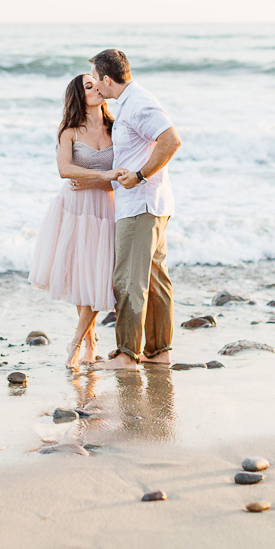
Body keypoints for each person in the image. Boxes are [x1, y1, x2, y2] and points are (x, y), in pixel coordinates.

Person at [88, 49, 182, 369]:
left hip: (141, 205)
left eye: (96, 80)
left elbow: (171, 140)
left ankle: (127, 355)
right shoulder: (130, 103)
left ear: (107, 79)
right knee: (155, 280)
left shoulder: (138, 104)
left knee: (129, 280)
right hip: (151, 203)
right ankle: (159, 351)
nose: (94, 86)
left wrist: (140, 174)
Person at [29, 74, 125, 368]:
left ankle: (75, 344)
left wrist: (98, 182)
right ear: (79, 96)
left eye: (97, 84)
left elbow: (118, 180)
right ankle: (90, 343)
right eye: (88, 86)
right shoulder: (68, 130)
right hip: (73, 208)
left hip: (104, 208)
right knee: (84, 277)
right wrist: (101, 175)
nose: (96, 88)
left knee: (99, 278)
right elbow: (64, 169)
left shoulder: (116, 128)